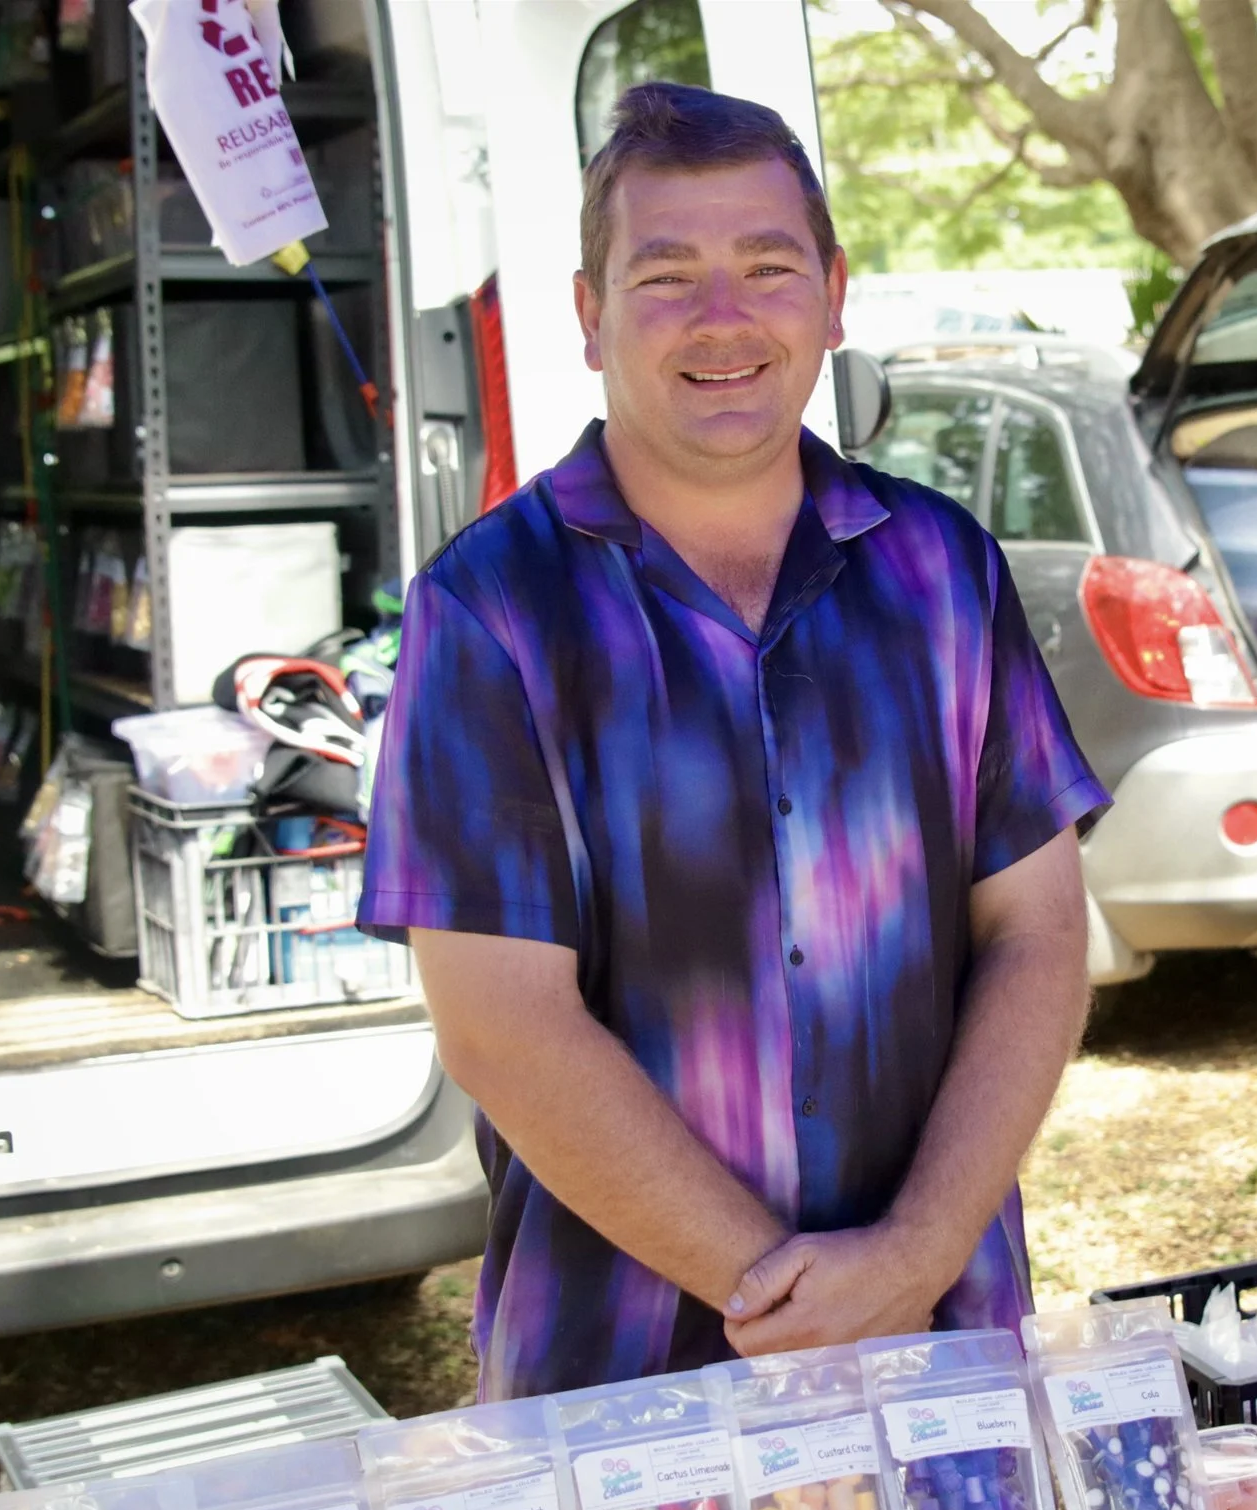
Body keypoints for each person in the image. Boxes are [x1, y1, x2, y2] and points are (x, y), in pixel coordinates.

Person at [356, 82, 1109, 1399]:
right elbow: (499, 1024)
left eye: (767, 268)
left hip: (941, 1364)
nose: (723, 319)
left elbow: (1039, 931)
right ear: (588, 316)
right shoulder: (489, 611)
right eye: (666, 277)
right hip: (625, 1388)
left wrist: (915, 1256)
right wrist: (811, 1300)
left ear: (832, 294)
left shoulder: (946, 571)